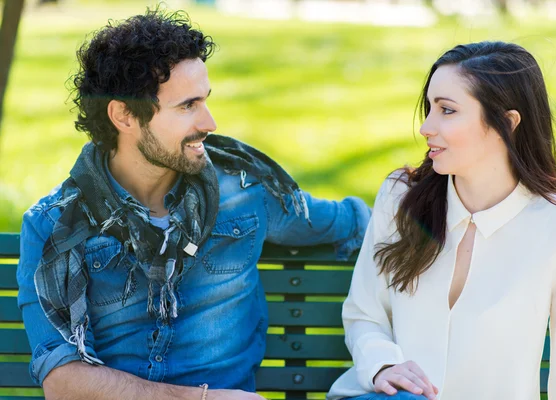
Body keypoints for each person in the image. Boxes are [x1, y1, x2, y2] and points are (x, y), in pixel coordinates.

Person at [16, 8, 371, 400]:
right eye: (188, 106)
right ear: (123, 115)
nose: (210, 122)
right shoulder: (56, 225)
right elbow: (63, 380)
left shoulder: (245, 191)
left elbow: (361, 224)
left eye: (205, 101)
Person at [327, 41, 556, 400]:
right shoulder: (400, 196)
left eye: (447, 110)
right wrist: (383, 366)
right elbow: (364, 313)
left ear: (507, 122)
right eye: (429, 107)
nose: (426, 127)